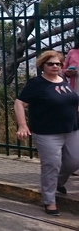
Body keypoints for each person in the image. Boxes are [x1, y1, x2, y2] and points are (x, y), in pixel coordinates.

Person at [14, 50, 79, 216]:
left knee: (73, 162)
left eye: (58, 63)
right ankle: (49, 201)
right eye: (51, 64)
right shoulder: (36, 84)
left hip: (71, 129)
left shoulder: (63, 80)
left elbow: (70, 102)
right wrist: (22, 125)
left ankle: (58, 182)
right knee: (52, 165)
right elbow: (19, 103)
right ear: (42, 65)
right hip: (47, 132)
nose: (55, 66)